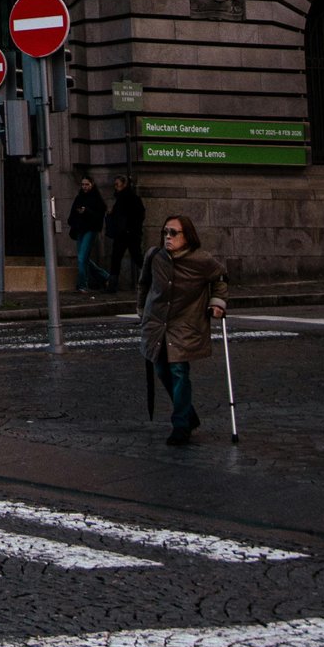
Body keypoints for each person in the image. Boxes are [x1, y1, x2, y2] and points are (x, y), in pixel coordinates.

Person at [137, 211, 227, 445]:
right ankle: (187, 414)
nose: (168, 237)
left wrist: (217, 304)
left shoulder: (202, 260)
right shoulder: (155, 256)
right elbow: (144, 283)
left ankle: (180, 426)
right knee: (161, 370)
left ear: (187, 236)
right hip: (157, 323)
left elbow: (220, 279)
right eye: (165, 232)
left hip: (184, 323)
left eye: (173, 233)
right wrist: (141, 311)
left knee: (178, 371)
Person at [105, 175, 146, 292]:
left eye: (117, 184)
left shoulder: (131, 198)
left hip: (130, 234)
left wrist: (129, 228)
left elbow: (138, 215)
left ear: (124, 185)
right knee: (117, 258)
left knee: (136, 256)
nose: (115, 187)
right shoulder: (121, 199)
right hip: (123, 234)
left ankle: (151, 277)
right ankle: (112, 286)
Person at [67, 175, 108, 291]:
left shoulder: (96, 199)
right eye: (83, 184)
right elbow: (72, 214)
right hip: (80, 229)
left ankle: (82, 284)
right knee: (83, 258)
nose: (84, 187)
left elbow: (99, 215)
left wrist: (86, 211)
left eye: (87, 184)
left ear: (92, 184)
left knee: (81, 258)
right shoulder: (79, 197)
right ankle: (105, 276)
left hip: (91, 230)